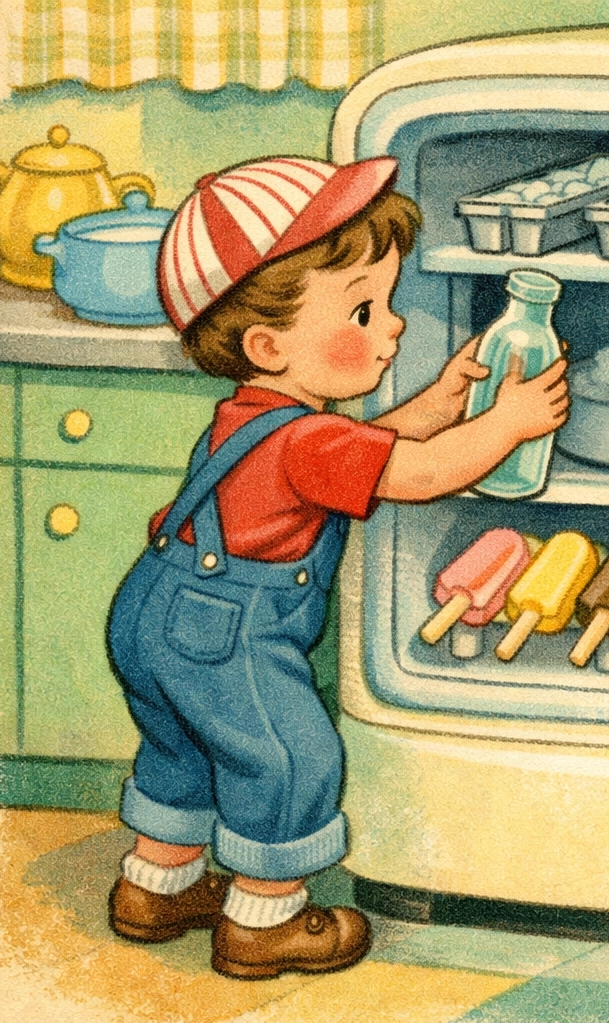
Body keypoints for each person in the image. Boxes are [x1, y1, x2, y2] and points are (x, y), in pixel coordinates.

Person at [105, 155, 568, 979]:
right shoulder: (309, 439)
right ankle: (264, 923)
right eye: (363, 310)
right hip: (226, 635)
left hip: (153, 610)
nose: (392, 325)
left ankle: (155, 889)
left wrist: (439, 403)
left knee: (183, 750)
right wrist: (507, 422)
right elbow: (414, 474)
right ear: (267, 344)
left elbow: (366, 452)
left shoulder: (256, 414)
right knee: (287, 759)